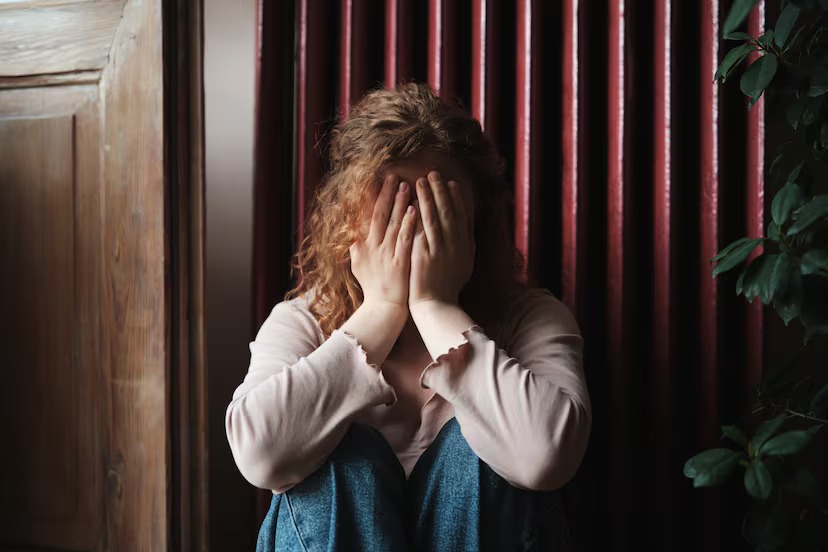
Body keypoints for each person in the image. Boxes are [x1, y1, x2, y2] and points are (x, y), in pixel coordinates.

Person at [225, 82, 592, 551]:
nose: (411, 229)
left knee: (482, 452)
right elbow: (260, 457)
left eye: (435, 209)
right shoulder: (306, 321)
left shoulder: (529, 319)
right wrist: (381, 310)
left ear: (474, 221)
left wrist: (435, 306)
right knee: (338, 457)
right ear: (349, 220)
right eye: (390, 210)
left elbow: (546, 457)